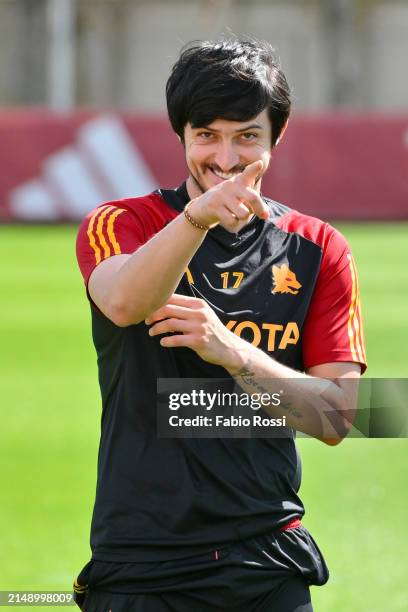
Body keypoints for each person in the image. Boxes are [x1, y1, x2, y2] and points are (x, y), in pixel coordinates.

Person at [73, 38, 366, 612]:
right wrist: (196, 219)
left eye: (247, 136)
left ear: (276, 138)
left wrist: (232, 351)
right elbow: (125, 303)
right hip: (143, 560)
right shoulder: (122, 222)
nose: (226, 159)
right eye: (207, 135)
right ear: (180, 134)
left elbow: (338, 417)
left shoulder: (318, 246)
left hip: (268, 558)